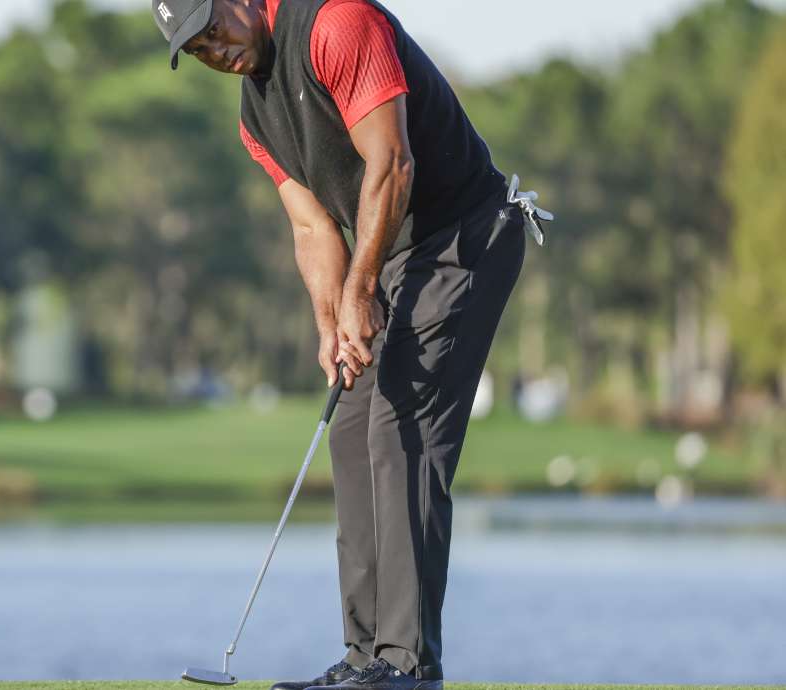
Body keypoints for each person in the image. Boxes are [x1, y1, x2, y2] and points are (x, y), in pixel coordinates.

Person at [152, 1, 548, 689]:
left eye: (214, 28)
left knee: (402, 435)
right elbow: (312, 228)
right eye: (198, 49)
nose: (217, 50)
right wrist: (332, 321)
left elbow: (392, 163)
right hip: (389, 257)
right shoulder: (256, 117)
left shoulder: (337, 24)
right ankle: (365, 658)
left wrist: (360, 290)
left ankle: (407, 664)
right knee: (352, 433)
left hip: (462, 237)